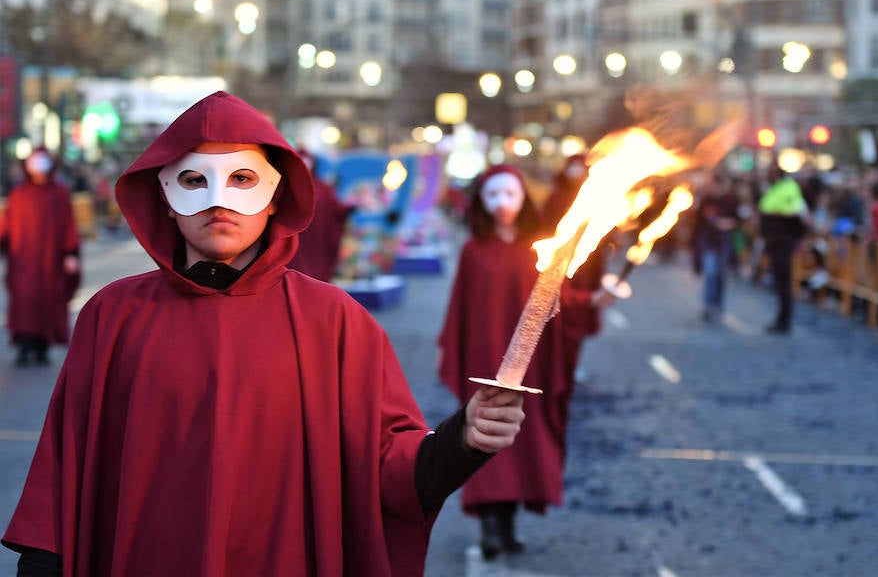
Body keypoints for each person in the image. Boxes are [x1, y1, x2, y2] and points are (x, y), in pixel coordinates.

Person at [2, 91, 526, 577]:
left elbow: (386, 469)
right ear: (163, 195)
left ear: (276, 196)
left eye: (243, 180)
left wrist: (462, 440)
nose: (217, 201)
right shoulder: (112, 315)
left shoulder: (336, 322)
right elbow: (63, 467)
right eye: (193, 180)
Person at [437, 164, 581, 560]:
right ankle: (488, 525)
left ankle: (508, 522)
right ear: (482, 202)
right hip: (483, 360)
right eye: (493, 196)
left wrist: (592, 302)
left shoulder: (537, 250)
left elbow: (558, 303)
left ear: (523, 199)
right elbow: (460, 310)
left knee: (521, 444)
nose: (502, 205)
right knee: (484, 436)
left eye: (510, 195)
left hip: (529, 365)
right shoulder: (473, 251)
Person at [0, 146, 81, 367]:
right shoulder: (18, 195)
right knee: (24, 303)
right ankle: (25, 347)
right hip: (23, 262)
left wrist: (71, 253)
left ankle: (42, 347)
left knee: (48, 301)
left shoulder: (60, 194)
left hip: (50, 261)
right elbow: (7, 226)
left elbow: (68, 226)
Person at [540, 154, 612, 380]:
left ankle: (571, 364)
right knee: (555, 316)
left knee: (578, 317)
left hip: (586, 267)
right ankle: (553, 364)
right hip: (557, 266)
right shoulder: (557, 197)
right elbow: (545, 229)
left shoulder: (597, 200)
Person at [286, 148, 353, 281]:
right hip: (294, 241)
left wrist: (352, 206)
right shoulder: (286, 186)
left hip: (317, 240)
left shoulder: (323, 188)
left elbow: (337, 210)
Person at [758, 164, 808, 334]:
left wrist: (778, 213)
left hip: (782, 242)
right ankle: (781, 319)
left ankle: (784, 320)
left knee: (783, 282)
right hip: (775, 241)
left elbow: (795, 211)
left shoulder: (788, 188)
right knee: (779, 283)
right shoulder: (778, 188)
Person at [692, 171, 739, 323]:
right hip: (707, 242)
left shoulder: (730, 200)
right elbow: (698, 221)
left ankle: (718, 304)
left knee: (720, 275)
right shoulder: (706, 200)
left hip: (723, 242)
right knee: (711, 273)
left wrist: (725, 224)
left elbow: (736, 221)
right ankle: (708, 305)